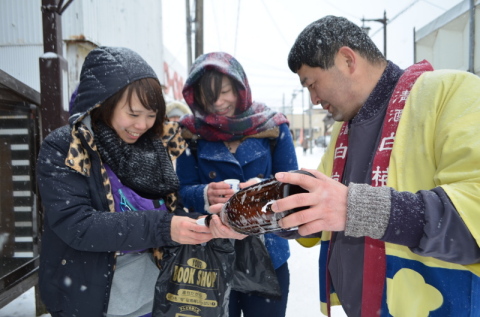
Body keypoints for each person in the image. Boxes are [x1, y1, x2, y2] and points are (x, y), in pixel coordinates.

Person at [271, 15, 480, 317]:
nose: (314, 100)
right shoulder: (341, 131)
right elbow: (321, 217)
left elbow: (473, 209)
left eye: (312, 84)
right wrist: (275, 206)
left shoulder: (452, 92)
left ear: (346, 60)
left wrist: (357, 208)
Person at [36, 46, 244, 317]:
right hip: (93, 296)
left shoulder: (150, 146)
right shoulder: (66, 146)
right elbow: (77, 224)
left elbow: (166, 206)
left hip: (155, 292)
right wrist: (164, 227)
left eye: (151, 114)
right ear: (104, 103)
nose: (143, 125)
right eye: (133, 114)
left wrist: (207, 210)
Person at [176, 52, 298, 317]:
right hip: (211, 258)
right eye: (209, 96)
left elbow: (294, 187)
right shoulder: (191, 134)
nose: (219, 103)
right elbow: (181, 193)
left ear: (240, 89)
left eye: (226, 92)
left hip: (268, 256)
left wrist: (262, 192)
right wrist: (204, 194)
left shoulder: (273, 127)